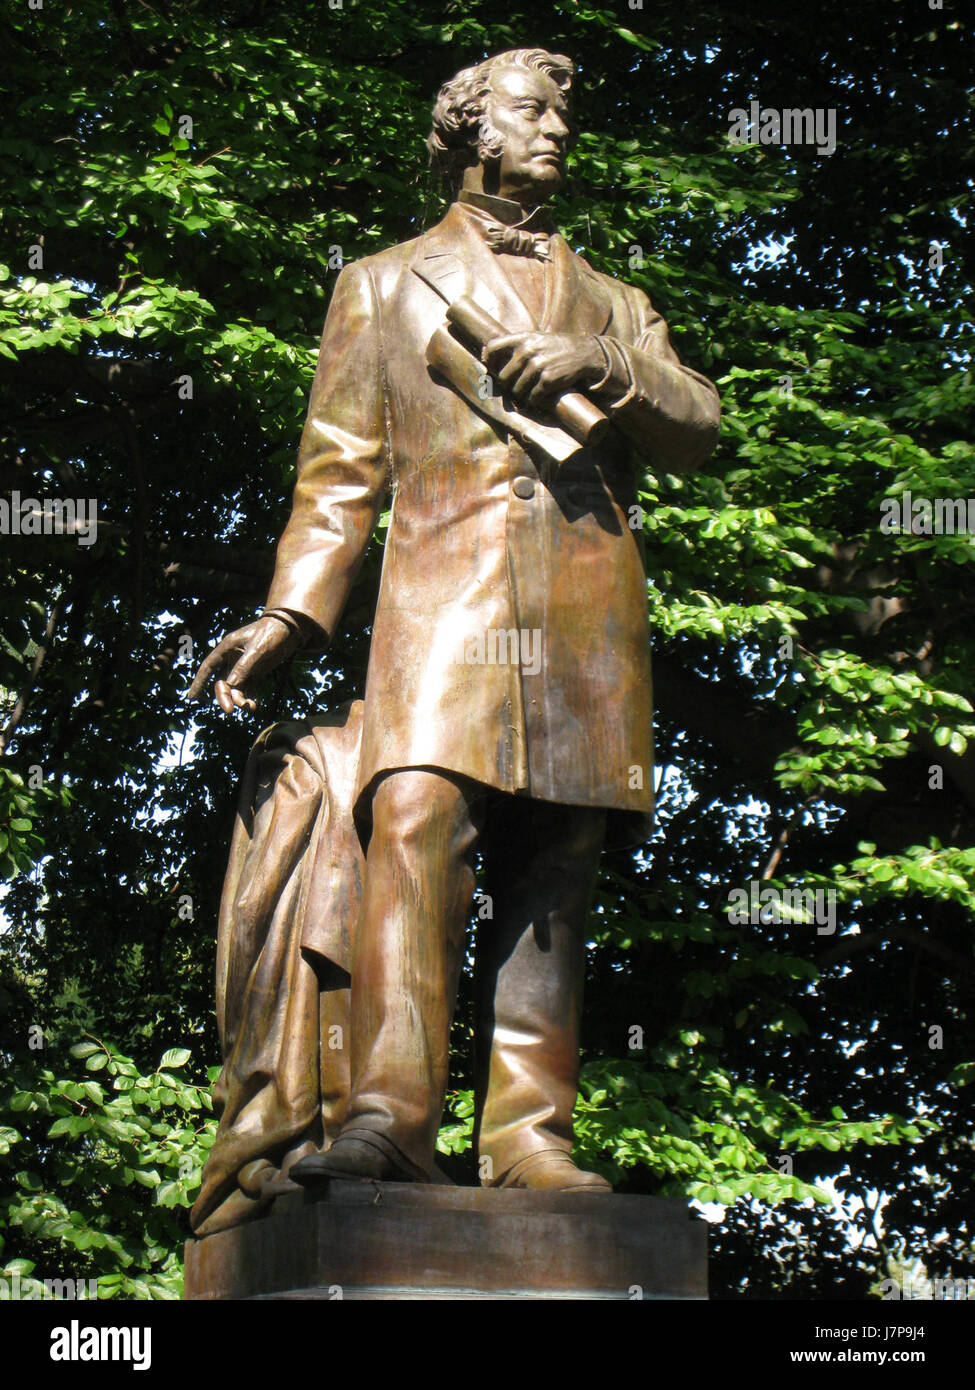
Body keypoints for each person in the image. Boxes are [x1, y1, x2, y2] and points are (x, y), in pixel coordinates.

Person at [190, 47, 720, 1194]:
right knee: (418, 813)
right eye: (534, 113)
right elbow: (339, 476)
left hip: (585, 609)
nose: (556, 133)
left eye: (563, 118)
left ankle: (531, 1137)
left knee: (558, 858)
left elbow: (699, 427)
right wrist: (292, 612)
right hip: (440, 606)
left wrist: (608, 365)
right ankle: (391, 1114)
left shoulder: (615, 304)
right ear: (475, 127)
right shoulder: (382, 284)